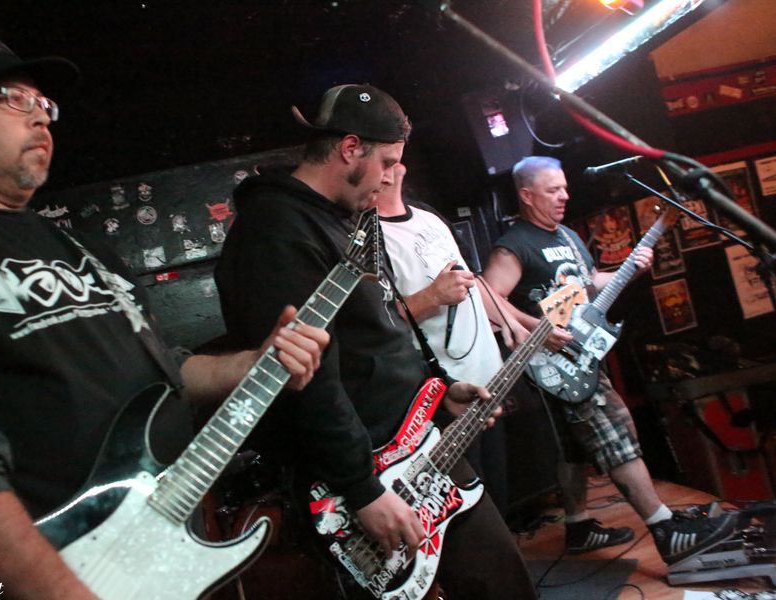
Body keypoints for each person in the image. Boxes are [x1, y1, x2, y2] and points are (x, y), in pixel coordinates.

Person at [0, 35, 329, 599]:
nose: (40, 118)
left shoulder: (80, 247)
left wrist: (252, 364)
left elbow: (164, 374)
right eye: (13, 99)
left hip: (168, 547)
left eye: (45, 105)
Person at [215, 84, 537, 599]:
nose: (391, 177)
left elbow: (378, 333)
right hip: (368, 474)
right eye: (386, 162)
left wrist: (436, 390)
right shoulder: (276, 230)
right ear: (349, 149)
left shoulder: (343, 221)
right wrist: (362, 489)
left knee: (502, 582)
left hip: (416, 448)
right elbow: (306, 377)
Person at [482, 155, 738, 564]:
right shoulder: (515, 245)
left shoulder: (567, 236)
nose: (564, 196)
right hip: (553, 359)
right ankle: (665, 528)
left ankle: (579, 525)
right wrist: (538, 329)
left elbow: (589, 283)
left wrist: (630, 269)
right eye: (553, 190)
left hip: (578, 354)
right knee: (616, 428)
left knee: (573, 449)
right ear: (526, 196)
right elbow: (488, 298)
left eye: (565, 188)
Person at [375, 162, 530, 512]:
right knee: (468, 511)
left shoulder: (428, 216)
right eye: (385, 155)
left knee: (499, 499)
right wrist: (432, 296)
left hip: (487, 383)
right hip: (443, 397)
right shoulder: (368, 238)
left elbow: (470, 280)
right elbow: (377, 325)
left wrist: (510, 320)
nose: (395, 159)